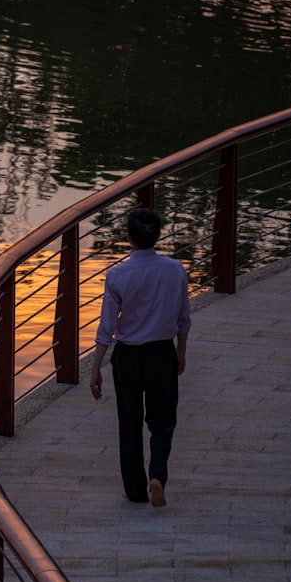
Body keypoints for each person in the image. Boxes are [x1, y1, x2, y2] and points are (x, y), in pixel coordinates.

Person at [89, 208, 190, 507]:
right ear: (159, 235)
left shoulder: (118, 274)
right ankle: (157, 474)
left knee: (129, 421)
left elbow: (107, 327)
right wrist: (180, 353)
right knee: (162, 420)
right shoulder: (175, 270)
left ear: (128, 237)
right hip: (162, 352)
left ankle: (134, 490)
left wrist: (95, 369)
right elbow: (183, 319)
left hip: (128, 357)